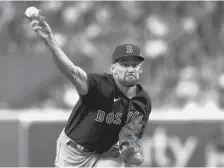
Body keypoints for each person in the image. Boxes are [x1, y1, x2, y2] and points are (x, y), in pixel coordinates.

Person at [27, 11, 152, 167]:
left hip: (107, 152)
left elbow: (132, 136)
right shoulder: (101, 85)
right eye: (125, 64)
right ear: (113, 68)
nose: (130, 68)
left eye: (134, 64)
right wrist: (50, 41)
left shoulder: (142, 100)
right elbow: (73, 72)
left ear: (140, 69)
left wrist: (130, 149)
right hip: (73, 152)